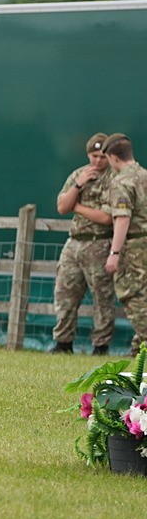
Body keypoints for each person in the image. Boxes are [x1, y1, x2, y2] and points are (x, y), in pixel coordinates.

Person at [49, 133, 116, 355]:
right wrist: (78, 185)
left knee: (102, 297)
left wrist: (76, 208)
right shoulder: (79, 174)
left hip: (100, 244)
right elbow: (61, 206)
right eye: (93, 156)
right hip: (74, 243)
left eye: (102, 156)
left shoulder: (114, 179)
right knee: (65, 293)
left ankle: (100, 345)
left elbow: (106, 217)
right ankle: (63, 342)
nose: (98, 161)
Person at [102, 134, 147, 354]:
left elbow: (123, 217)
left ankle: (144, 341)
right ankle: (138, 352)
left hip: (134, 248)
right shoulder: (144, 176)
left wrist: (115, 252)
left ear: (113, 157)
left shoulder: (122, 182)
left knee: (133, 295)